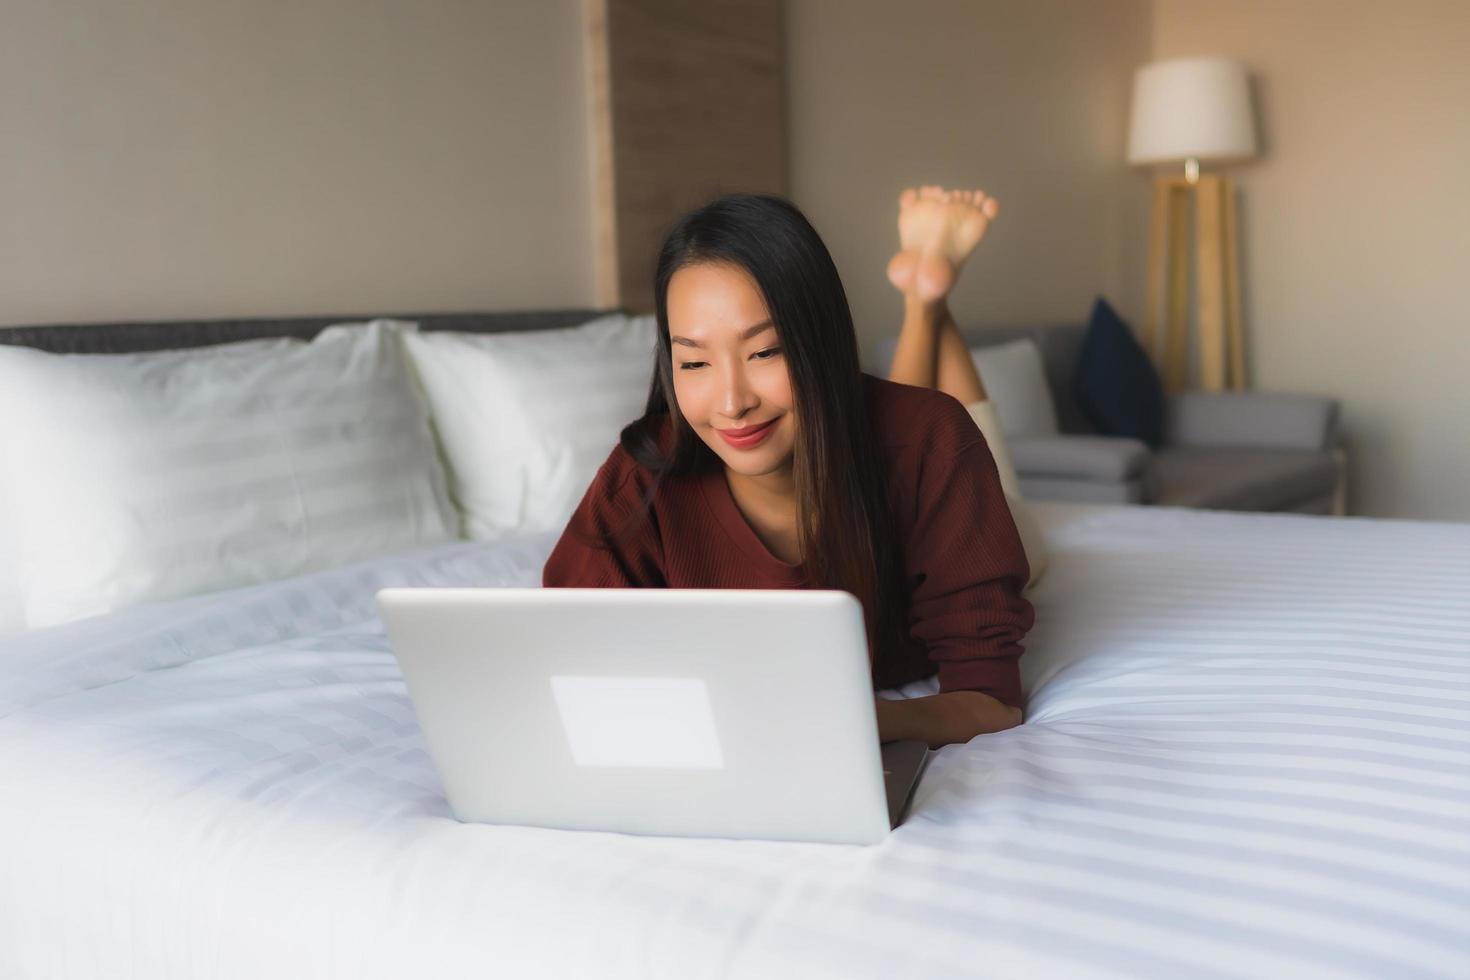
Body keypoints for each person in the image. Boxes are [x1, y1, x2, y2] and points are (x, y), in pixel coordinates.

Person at [542, 191, 1033, 749]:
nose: (732, 403)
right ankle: (926, 304)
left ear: (817, 340)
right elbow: (566, 658)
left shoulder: (935, 444)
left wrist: (865, 724)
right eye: (695, 361)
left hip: (985, 514)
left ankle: (928, 309)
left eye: (765, 351)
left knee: (937, 429)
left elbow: (993, 702)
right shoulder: (644, 474)